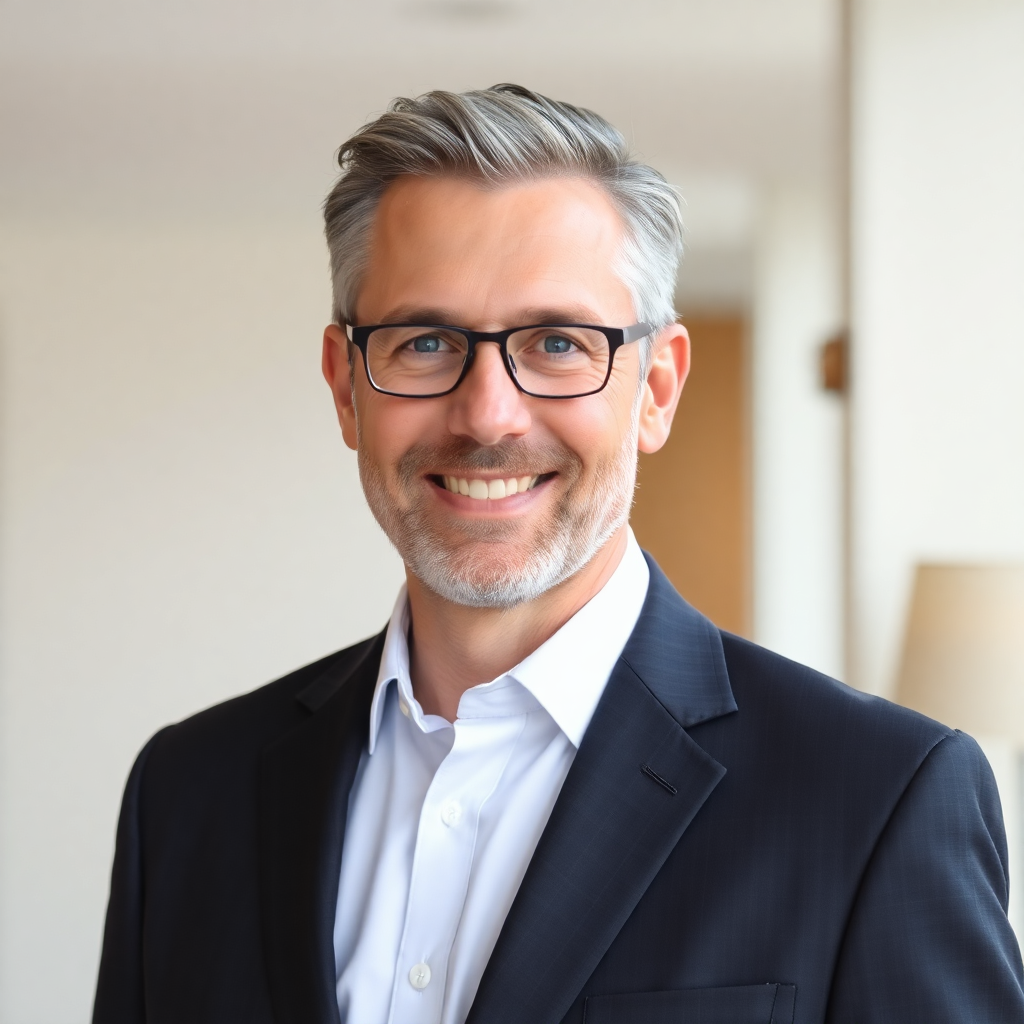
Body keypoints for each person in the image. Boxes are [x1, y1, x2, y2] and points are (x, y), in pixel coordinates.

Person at [93, 84, 1024, 1024]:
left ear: (655, 388)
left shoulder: (874, 799)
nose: (488, 415)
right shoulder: (187, 794)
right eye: (424, 341)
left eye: (555, 343)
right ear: (346, 388)